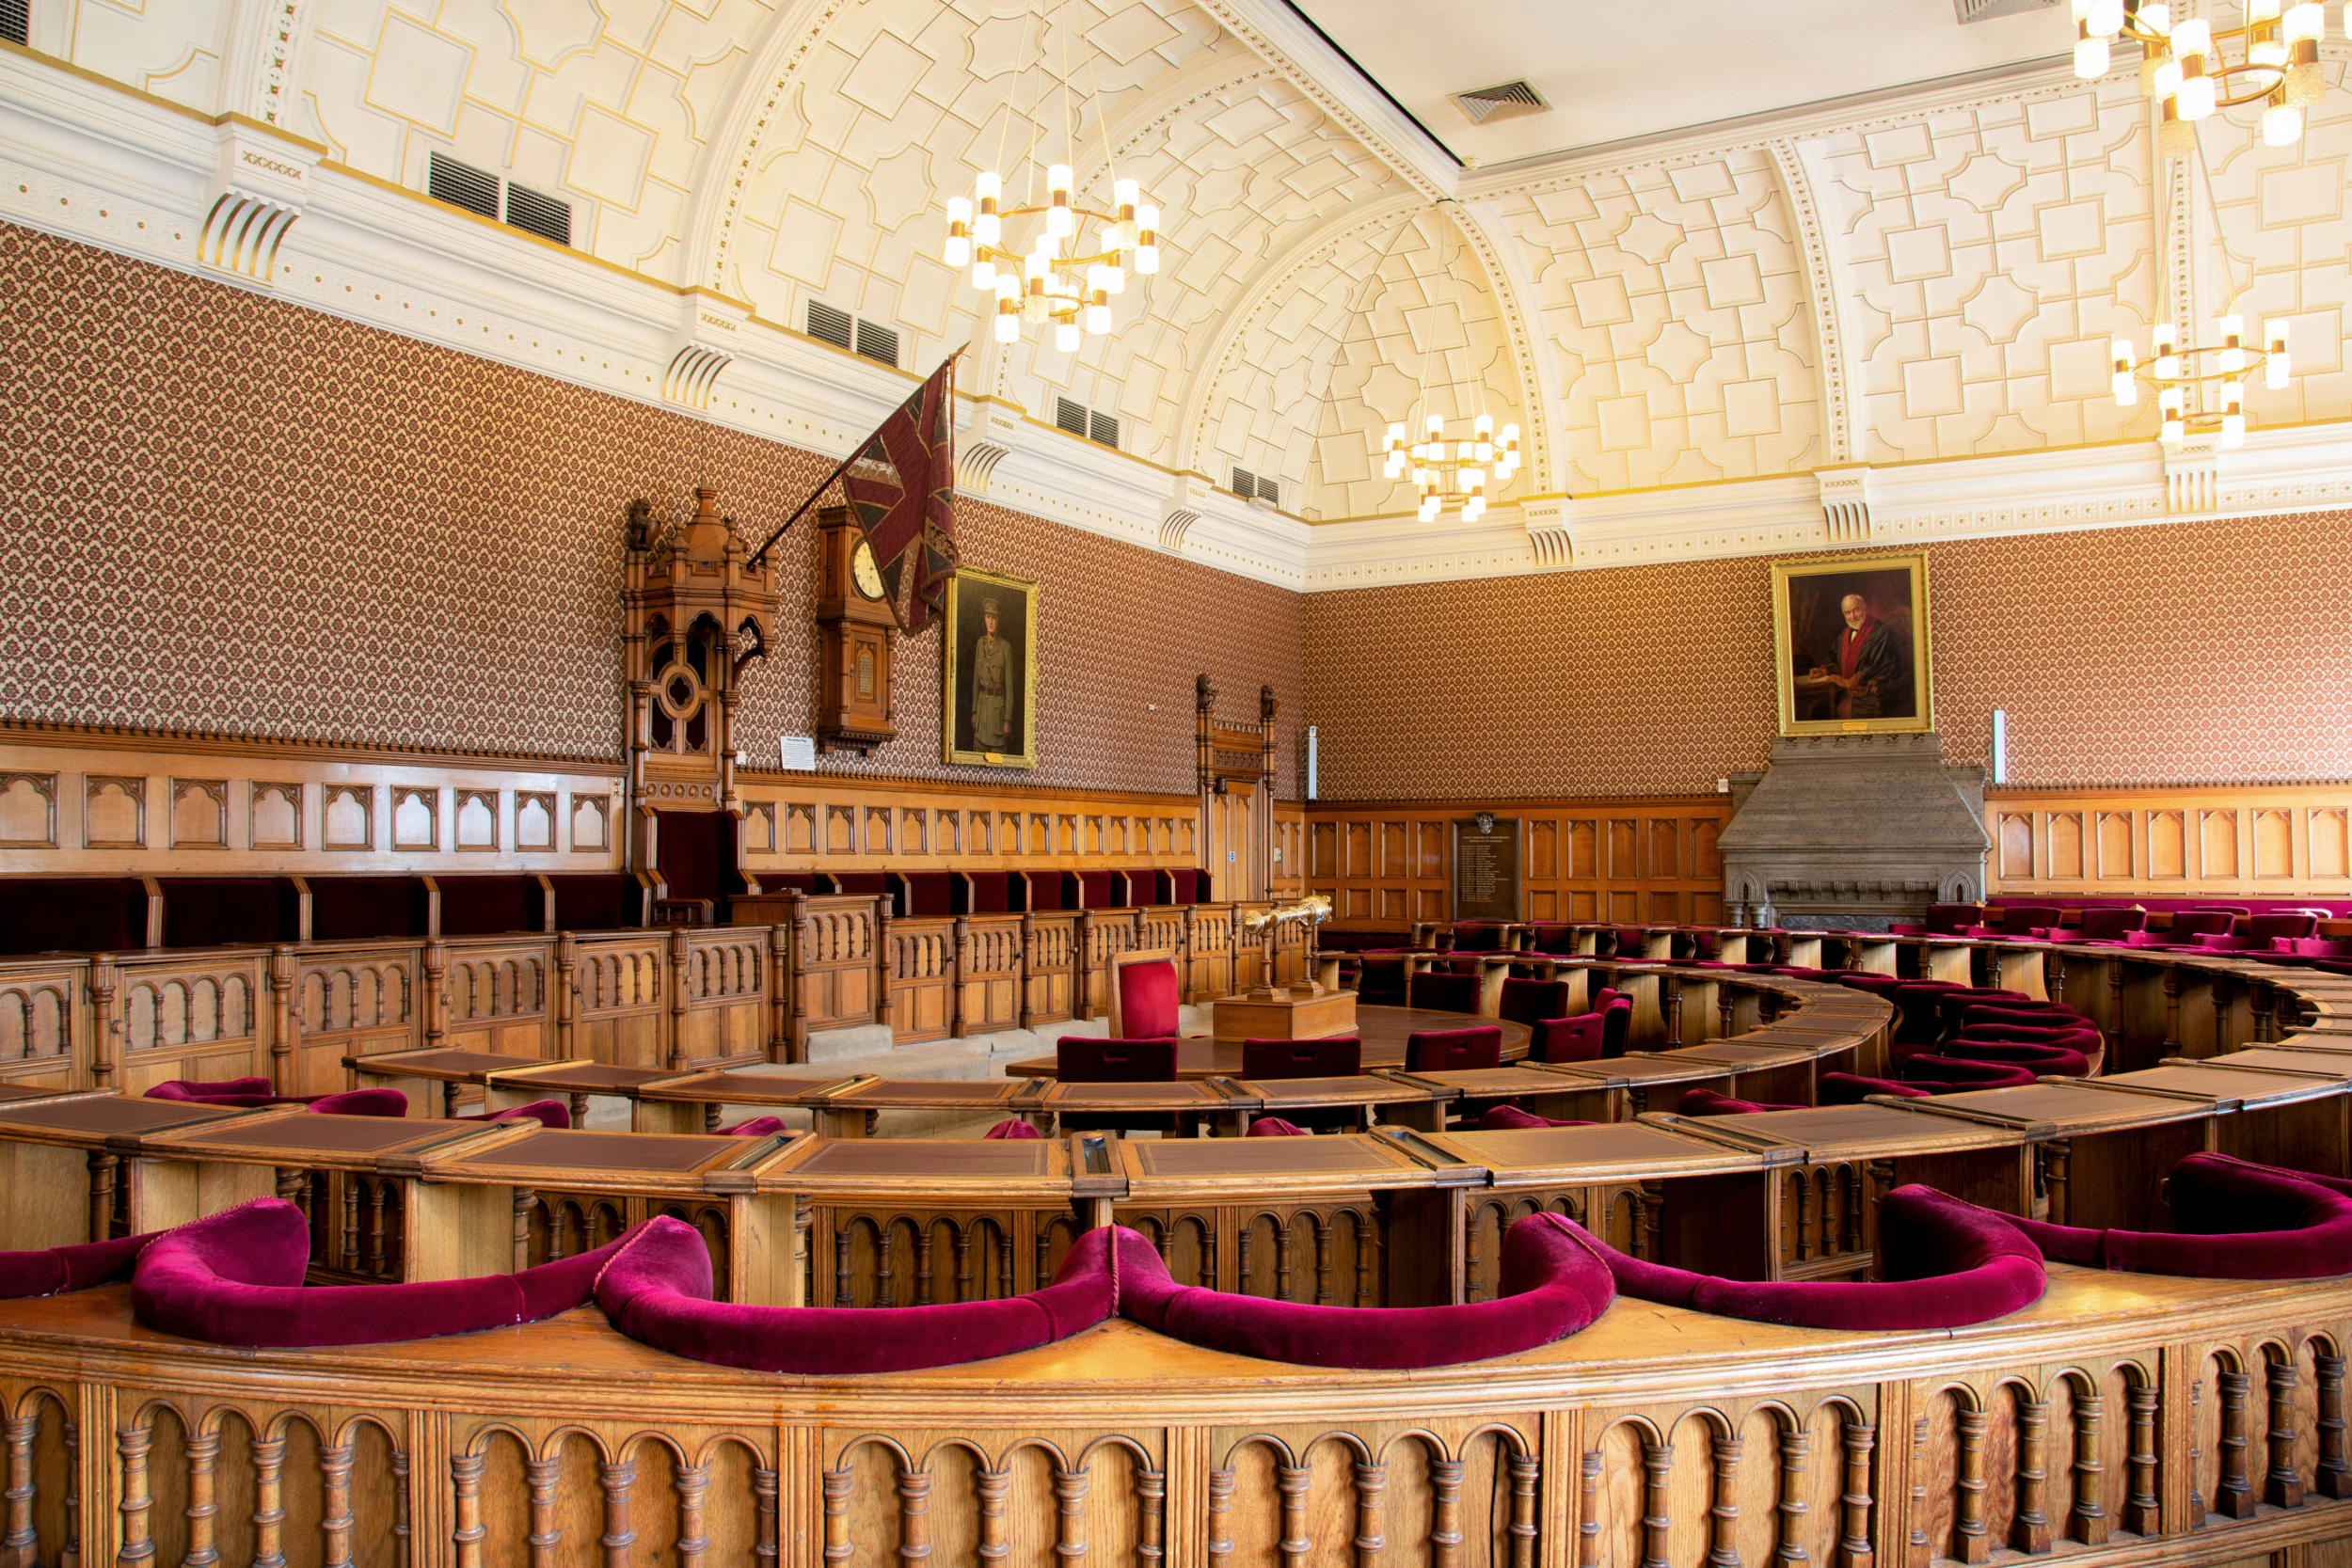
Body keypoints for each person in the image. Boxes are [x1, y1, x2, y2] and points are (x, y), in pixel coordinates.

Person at [1807, 593, 1905, 719]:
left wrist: (1854, 680)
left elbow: (1884, 666)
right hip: (1845, 693)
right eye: (1848, 613)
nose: (1852, 616)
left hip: (1872, 695)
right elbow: (1836, 663)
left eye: (1856, 610)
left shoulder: (1882, 632)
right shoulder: (1845, 634)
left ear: (1864, 607)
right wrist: (1824, 670)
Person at [969, 596, 1012, 751]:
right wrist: (974, 711)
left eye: (994, 618)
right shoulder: (980, 644)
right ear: (984, 618)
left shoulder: (1005, 648)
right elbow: (976, 681)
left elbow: (1009, 687)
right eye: (988, 617)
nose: (990, 621)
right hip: (982, 715)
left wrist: (1007, 719)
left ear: (998, 620)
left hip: (997, 717)